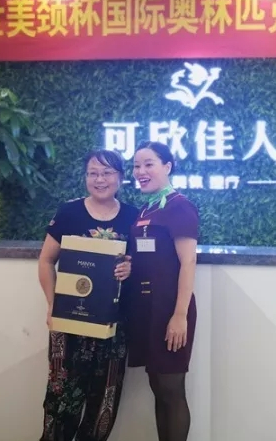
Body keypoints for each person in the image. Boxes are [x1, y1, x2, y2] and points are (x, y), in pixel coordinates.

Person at [37, 149, 139, 441]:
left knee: (103, 403)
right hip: (69, 325)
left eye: (107, 173)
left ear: (121, 177)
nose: (99, 179)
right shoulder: (69, 213)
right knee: (60, 402)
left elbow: (140, 267)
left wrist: (130, 269)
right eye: (93, 173)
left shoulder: (133, 217)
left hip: (112, 326)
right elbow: (46, 261)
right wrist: (52, 305)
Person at [126, 141, 200, 441]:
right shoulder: (148, 208)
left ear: (167, 166)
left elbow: (188, 262)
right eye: (136, 166)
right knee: (157, 387)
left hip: (170, 308)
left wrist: (180, 315)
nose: (140, 171)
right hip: (147, 309)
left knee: (171, 389)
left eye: (148, 164)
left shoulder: (179, 206)